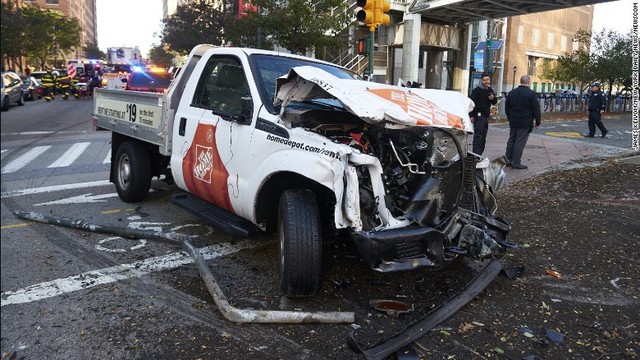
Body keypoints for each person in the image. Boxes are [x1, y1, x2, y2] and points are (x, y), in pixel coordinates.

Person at [504, 75, 541, 170]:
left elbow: (507, 108)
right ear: (528, 82)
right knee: (520, 141)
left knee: (511, 140)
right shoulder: (531, 94)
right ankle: (516, 162)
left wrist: (510, 118)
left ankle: (507, 160)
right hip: (525, 122)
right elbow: (536, 109)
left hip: (513, 121)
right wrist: (538, 121)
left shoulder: (512, 93)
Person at [468, 73, 497, 155]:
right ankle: (476, 155)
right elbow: (470, 103)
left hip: (485, 116)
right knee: (478, 136)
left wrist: (493, 98)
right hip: (478, 115)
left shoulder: (490, 90)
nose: (486, 82)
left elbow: (494, 102)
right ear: (481, 81)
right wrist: (471, 115)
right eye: (484, 80)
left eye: (487, 80)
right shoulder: (477, 90)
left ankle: (479, 154)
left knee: (483, 137)